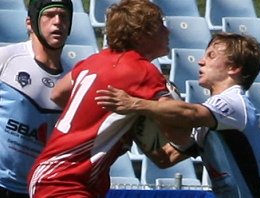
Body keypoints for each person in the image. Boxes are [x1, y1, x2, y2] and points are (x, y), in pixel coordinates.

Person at [27, 0, 187, 197]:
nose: (167, 31)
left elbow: (58, 93)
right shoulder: (143, 70)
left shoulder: (95, 60)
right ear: (141, 34)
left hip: (57, 174)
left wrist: (100, 119)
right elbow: (179, 127)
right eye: (160, 26)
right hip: (65, 180)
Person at [96, 33, 260, 198]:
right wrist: (133, 123)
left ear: (234, 68)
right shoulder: (211, 118)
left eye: (211, 55)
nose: (200, 61)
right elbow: (166, 157)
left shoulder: (234, 102)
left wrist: (135, 104)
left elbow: (189, 113)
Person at [0, 0, 73, 197]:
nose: (58, 22)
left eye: (64, 16)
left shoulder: (73, 78)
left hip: (35, 189)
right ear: (30, 23)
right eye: (50, 15)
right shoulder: (6, 59)